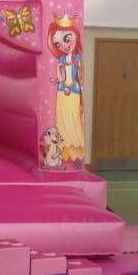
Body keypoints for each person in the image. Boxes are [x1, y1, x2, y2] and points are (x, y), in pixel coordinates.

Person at [47, 13, 85, 165]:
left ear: (75, 35)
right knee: (61, 120)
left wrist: (81, 94)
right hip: (62, 91)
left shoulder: (78, 58)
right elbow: (61, 78)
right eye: (58, 44)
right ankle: (63, 149)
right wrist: (58, 68)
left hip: (73, 91)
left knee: (73, 119)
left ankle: (75, 149)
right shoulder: (62, 58)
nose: (63, 45)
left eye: (67, 38)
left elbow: (79, 77)